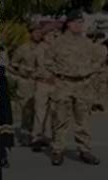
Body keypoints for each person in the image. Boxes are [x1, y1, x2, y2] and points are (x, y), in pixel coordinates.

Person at [45, 10, 105, 166]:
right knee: (61, 120)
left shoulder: (87, 43)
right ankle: (58, 151)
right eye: (77, 22)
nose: (80, 25)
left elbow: (100, 59)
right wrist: (60, 72)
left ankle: (84, 150)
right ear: (69, 24)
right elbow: (48, 60)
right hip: (64, 85)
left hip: (83, 86)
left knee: (83, 120)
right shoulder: (58, 43)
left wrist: (89, 71)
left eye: (81, 22)